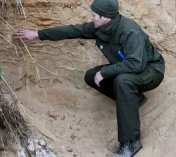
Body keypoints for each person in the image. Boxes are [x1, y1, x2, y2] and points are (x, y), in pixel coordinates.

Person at [16, 0, 165, 156]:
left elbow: (136, 64)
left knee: (123, 81)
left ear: (106, 18)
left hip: (151, 71)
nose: (91, 17)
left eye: (94, 15)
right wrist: (38, 34)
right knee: (91, 76)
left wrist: (105, 72)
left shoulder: (129, 31)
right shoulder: (99, 27)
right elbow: (73, 30)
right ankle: (135, 99)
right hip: (129, 70)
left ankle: (131, 143)